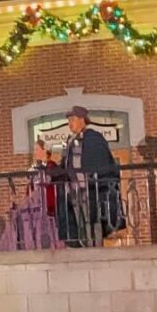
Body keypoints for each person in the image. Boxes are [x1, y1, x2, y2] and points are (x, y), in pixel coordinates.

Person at [56, 105, 124, 247]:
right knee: (78, 222)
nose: (70, 124)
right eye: (69, 120)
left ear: (82, 119)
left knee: (93, 222)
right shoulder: (70, 141)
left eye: (72, 119)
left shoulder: (93, 138)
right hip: (75, 191)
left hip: (92, 190)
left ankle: (94, 246)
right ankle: (81, 245)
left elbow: (100, 163)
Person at [0, 140, 62, 251]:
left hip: (45, 203)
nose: (35, 152)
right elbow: (30, 189)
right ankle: (14, 245)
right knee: (17, 216)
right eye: (34, 150)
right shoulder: (35, 167)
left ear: (45, 151)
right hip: (34, 202)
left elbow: (50, 187)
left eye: (37, 149)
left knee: (24, 215)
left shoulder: (51, 167)